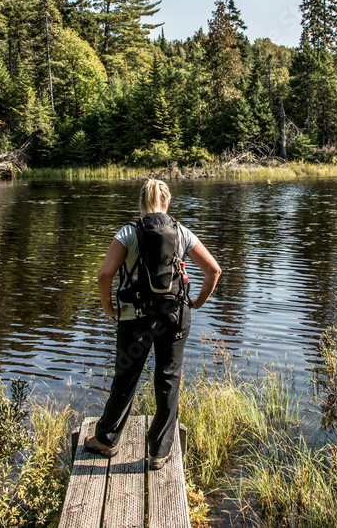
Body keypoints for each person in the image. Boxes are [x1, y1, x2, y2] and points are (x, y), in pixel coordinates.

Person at [85, 179, 221, 469]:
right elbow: (213, 270)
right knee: (168, 380)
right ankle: (159, 453)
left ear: (141, 202)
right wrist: (196, 302)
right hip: (174, 318)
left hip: (135, 319)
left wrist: (109, 307)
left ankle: (107, 441)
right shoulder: (181, 232)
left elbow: (104, 275)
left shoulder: (129, 232)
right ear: (167, 202)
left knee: (126, 378)